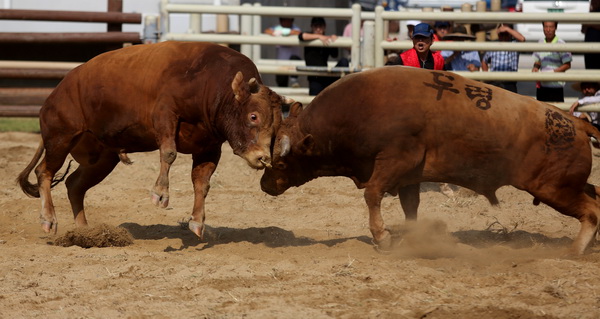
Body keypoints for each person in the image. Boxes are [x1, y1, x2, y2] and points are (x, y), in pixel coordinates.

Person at [298, 17, 348, 96]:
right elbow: (301, 36)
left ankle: (345, 90)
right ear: (312, 27)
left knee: (344, 61)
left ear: (324, 27)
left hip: (326, 76)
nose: (318, 29)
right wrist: (318, 36)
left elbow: (335, 55)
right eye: (316, 26)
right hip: (315, 78)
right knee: (314, 103)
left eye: (320, 26)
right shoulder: (309, 38)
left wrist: (333, 40)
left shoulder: (326, 39)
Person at [532, 21, 572, 102]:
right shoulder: (540, 42)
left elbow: (567, 64)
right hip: (542, 85)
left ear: (555, 28)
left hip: (556, 86)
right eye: (546, 27)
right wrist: (535, 68)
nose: (548, 29)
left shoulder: (561, 44)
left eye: (551, 27)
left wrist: (552, 73)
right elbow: (538, 61)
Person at [481, 24, 526, 93]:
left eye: (506, 34)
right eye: (501, 34)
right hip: (494, 82)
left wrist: (507, 29)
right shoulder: (493, 45)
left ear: (510, 34)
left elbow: (522, 39)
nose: (503, 37)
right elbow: (484, 61)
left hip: (509, 83)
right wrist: (487, 77)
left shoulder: (514, 44)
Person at [264, 17, 302, 88]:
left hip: (292, 60)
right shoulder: (277, 27)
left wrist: (281, 32)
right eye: (284, 20)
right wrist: (282, 32)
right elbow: (267, 31)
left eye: (288, 20)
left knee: (294, 80)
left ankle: (293, 80)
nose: (286, 22)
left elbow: (298, 32)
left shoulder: (295, 28)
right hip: (281, 60)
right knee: (281, 84)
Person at [583, 0, 600, 69]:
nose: (593, 2)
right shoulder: (591, 13)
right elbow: (583, 29)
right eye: (593, 1)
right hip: (589, 48)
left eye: (596, 1)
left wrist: (589, 24)